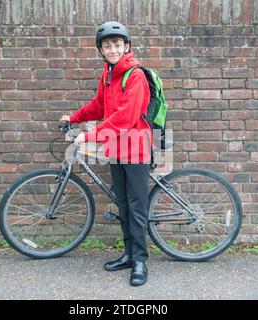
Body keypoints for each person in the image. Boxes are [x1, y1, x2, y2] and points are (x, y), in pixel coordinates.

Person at [59, 21, 152, 286]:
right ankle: (128, 254)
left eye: (117, 44)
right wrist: (75, 117)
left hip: (136, 149)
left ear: (127, 47)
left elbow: (125, 117)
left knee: (136, 207)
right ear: (101, 50)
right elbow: (100, 105)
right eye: (107, 45)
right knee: (122, 204)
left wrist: (89, 135)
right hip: (116, 149)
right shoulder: (108, 75)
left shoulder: (135, 75)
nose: (112, 49)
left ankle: (141, 261)